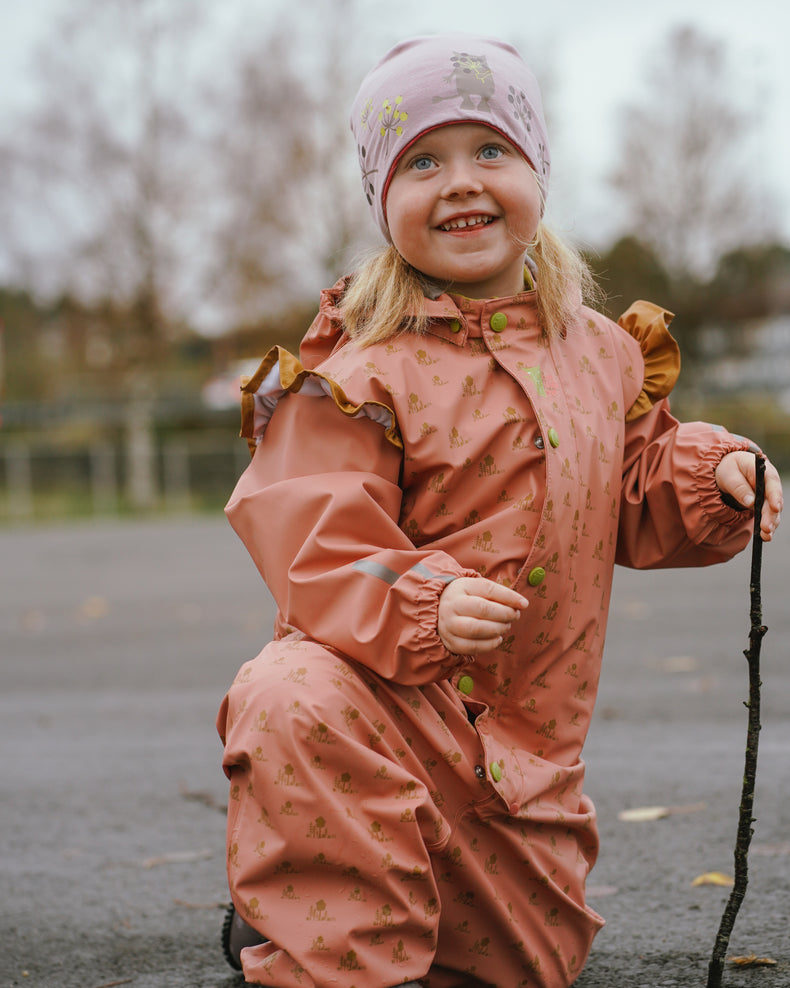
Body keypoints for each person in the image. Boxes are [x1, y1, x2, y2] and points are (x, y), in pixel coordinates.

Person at [216, 33, 783, 988]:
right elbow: (320, 536)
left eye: (491, 152)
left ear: (537, 170)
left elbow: (633, 490)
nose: (461, 184)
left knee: (524, 969)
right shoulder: (357, 374)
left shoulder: (601, 353)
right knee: (288, 693)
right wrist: (421, 596)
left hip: (520, 779)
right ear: (381, 197)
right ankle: (320, 922)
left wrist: (709, 470)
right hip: (390, 715)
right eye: (422, 162)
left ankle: (341, 887)